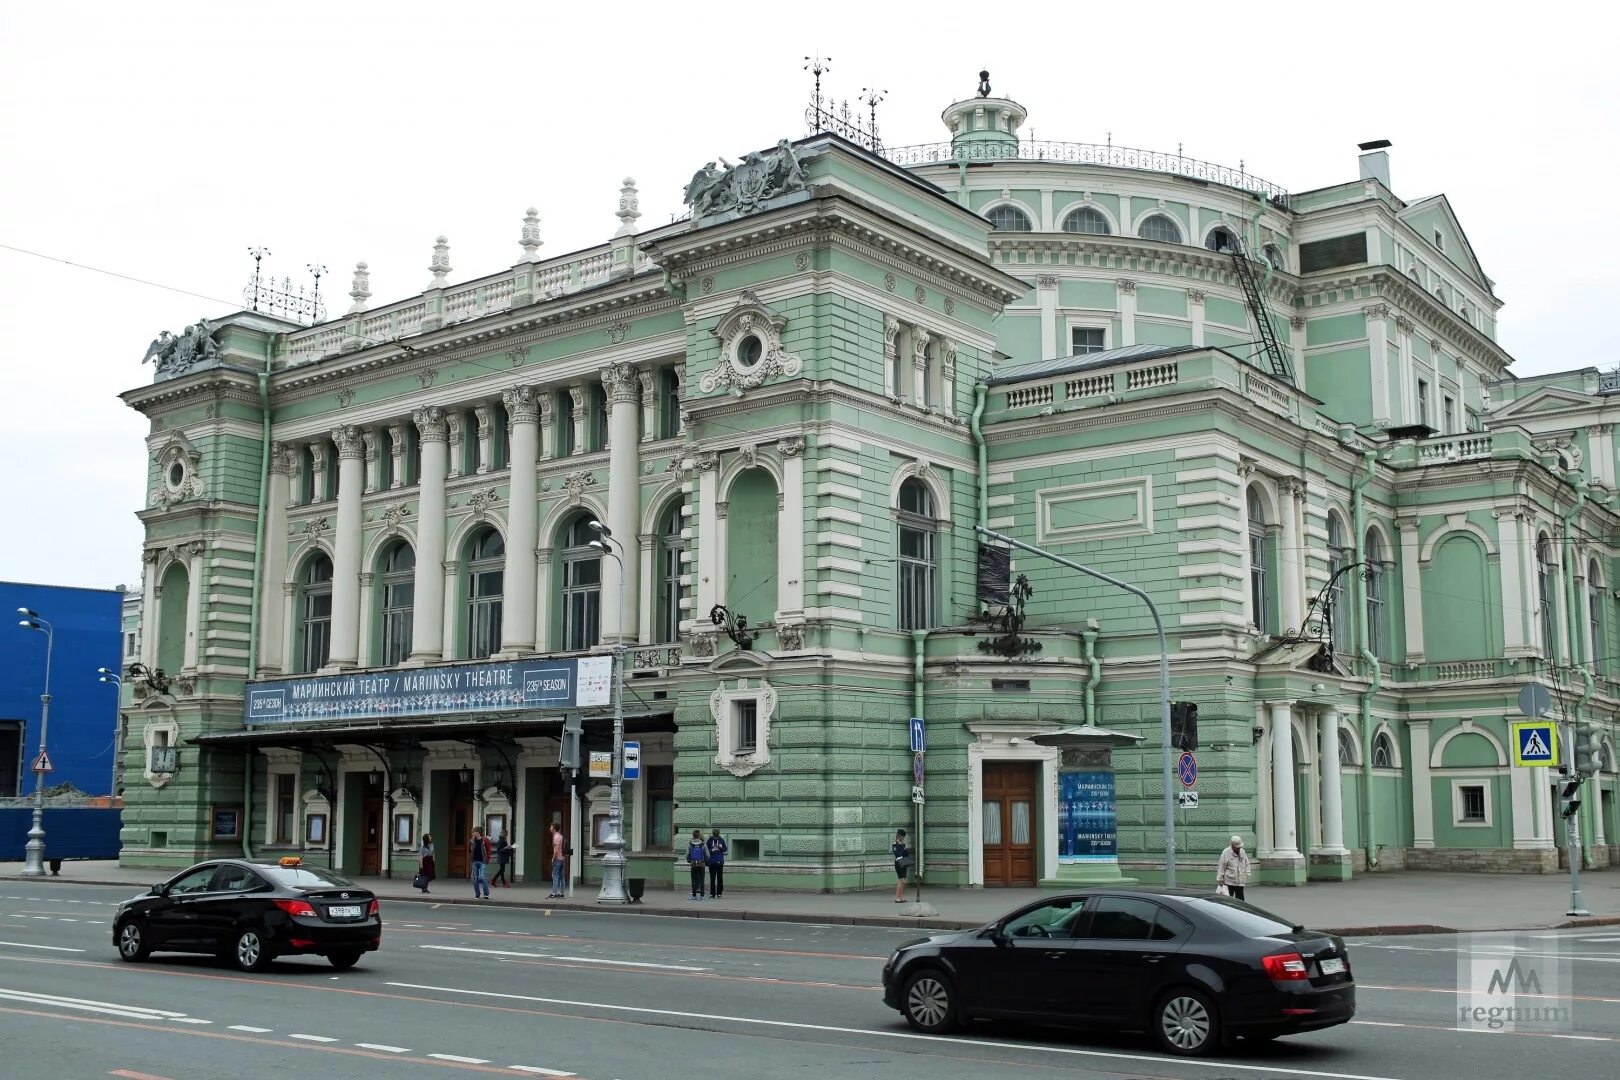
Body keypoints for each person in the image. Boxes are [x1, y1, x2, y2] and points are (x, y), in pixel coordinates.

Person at [1217, 834, 1251, 901]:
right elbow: (1221, 866)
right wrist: (1220, 879)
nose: (1238, 848)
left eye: (1239, 846)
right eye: (1237, 846)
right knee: (1229, 900)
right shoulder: (1226, 852)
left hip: (1240, 880)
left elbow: (1247, 863)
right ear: (1232, 844)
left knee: (1241, 900)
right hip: (1229, 881)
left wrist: (1247, 874)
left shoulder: (1242, 851)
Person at [705, 828, 728, 899]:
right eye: (715, 836)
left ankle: (719, 893)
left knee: (719, 878)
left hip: (719, 861)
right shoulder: (709, 840)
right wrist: (711, 850)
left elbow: (725, 849)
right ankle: (712, 893)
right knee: (713, 878)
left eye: (716, 836)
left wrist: (720, 849)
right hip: (712, 861)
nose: (716, 837)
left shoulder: (721, 840)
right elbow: (706, 849)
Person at [685, 829, 708, 900]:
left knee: (694, 880)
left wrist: (690, 861)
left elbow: (687, 855)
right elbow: (708, 855)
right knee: (702, 880)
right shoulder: (703, 844)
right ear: (699, 836)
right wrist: (704, 861)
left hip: (693, 865)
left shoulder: (690, 844)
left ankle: (694, 896)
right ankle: (702, 896)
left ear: (693, 835)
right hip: (701, 864)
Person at [469, 827, 490, 900]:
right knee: (475, 878)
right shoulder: (471, 841)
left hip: (482, 861)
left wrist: (487, 860)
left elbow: (488, 850)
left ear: (477, 832)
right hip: (474, 861)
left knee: (483, 877)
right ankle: (477, 894)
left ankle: (486, 894)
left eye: (473, 832)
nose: (472, 834)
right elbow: (469, 850)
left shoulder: (485, 840)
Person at [892, 828, 912, 903]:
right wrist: (904, 850)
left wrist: (907, 850)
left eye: (904, 837)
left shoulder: (903, 844)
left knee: (904, 882)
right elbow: (897, 855)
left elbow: (906, 855)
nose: (903, 838)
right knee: (901, 881)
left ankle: (901, 897)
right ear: (899, 836)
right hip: (899, 863)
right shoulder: (895, 845)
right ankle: (897, 898)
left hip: (904, 862)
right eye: (902, 837)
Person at [548, 822, 567, 899]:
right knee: (562, 877)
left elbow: (556, 850)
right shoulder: (561, 836)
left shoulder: (556, 837)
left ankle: (554, 893)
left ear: (554, 829)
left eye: (551, 827)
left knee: (555, 876)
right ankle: (561, 893)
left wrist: (553, 858)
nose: (550, 828)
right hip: (562, 858)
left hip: (558, 859)